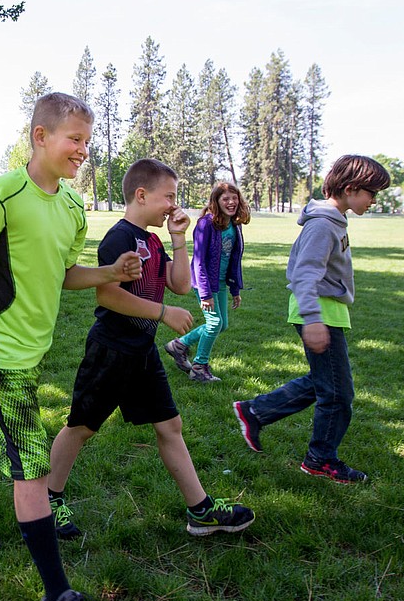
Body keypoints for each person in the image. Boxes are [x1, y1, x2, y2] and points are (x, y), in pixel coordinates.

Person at [0, 92, 141, 601]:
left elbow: (63, 273)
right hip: (3, 356)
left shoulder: (72, 205)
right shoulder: (0, 195)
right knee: (30, 466)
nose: (82, 151)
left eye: (87, 142)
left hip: (33, 347)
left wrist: (111, 271)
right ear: (41, 136)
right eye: (74, 139)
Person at [48, 159, 255, 543]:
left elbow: (179, 285)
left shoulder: (154, 240)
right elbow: (107, 295)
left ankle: (201, 510)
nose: (174, 205)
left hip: (142, 352)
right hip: (111, 349)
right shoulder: (120, 237)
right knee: (81, 427)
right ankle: (49, 499)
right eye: (169, 197)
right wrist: (162, 314)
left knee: (169, 425)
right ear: (141, 195)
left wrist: (179, 239)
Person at [232, 154, 391, 483]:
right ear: (350, 188)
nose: (374, 200)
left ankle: (256, 411)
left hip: (327, 310)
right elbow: (305, 275)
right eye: (371, 193)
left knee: (327, 384)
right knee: (339, 394)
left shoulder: (333, 220)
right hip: (318, 312)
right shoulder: (322, 225)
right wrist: (314, 320)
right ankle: (320, 459)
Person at [164, 182, 250, 383]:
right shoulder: (206, 224)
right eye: (225, 199)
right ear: (216, 201)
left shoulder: (234, 225)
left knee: (222, 325)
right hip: (204, 283)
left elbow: (234, 259)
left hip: (220, 283)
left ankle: (179, 345)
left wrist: (235, 289)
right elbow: (199, 261)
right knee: (214, 323)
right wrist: (205, 294)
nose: (231, 202)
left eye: (234, 198)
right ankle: (199, 367)